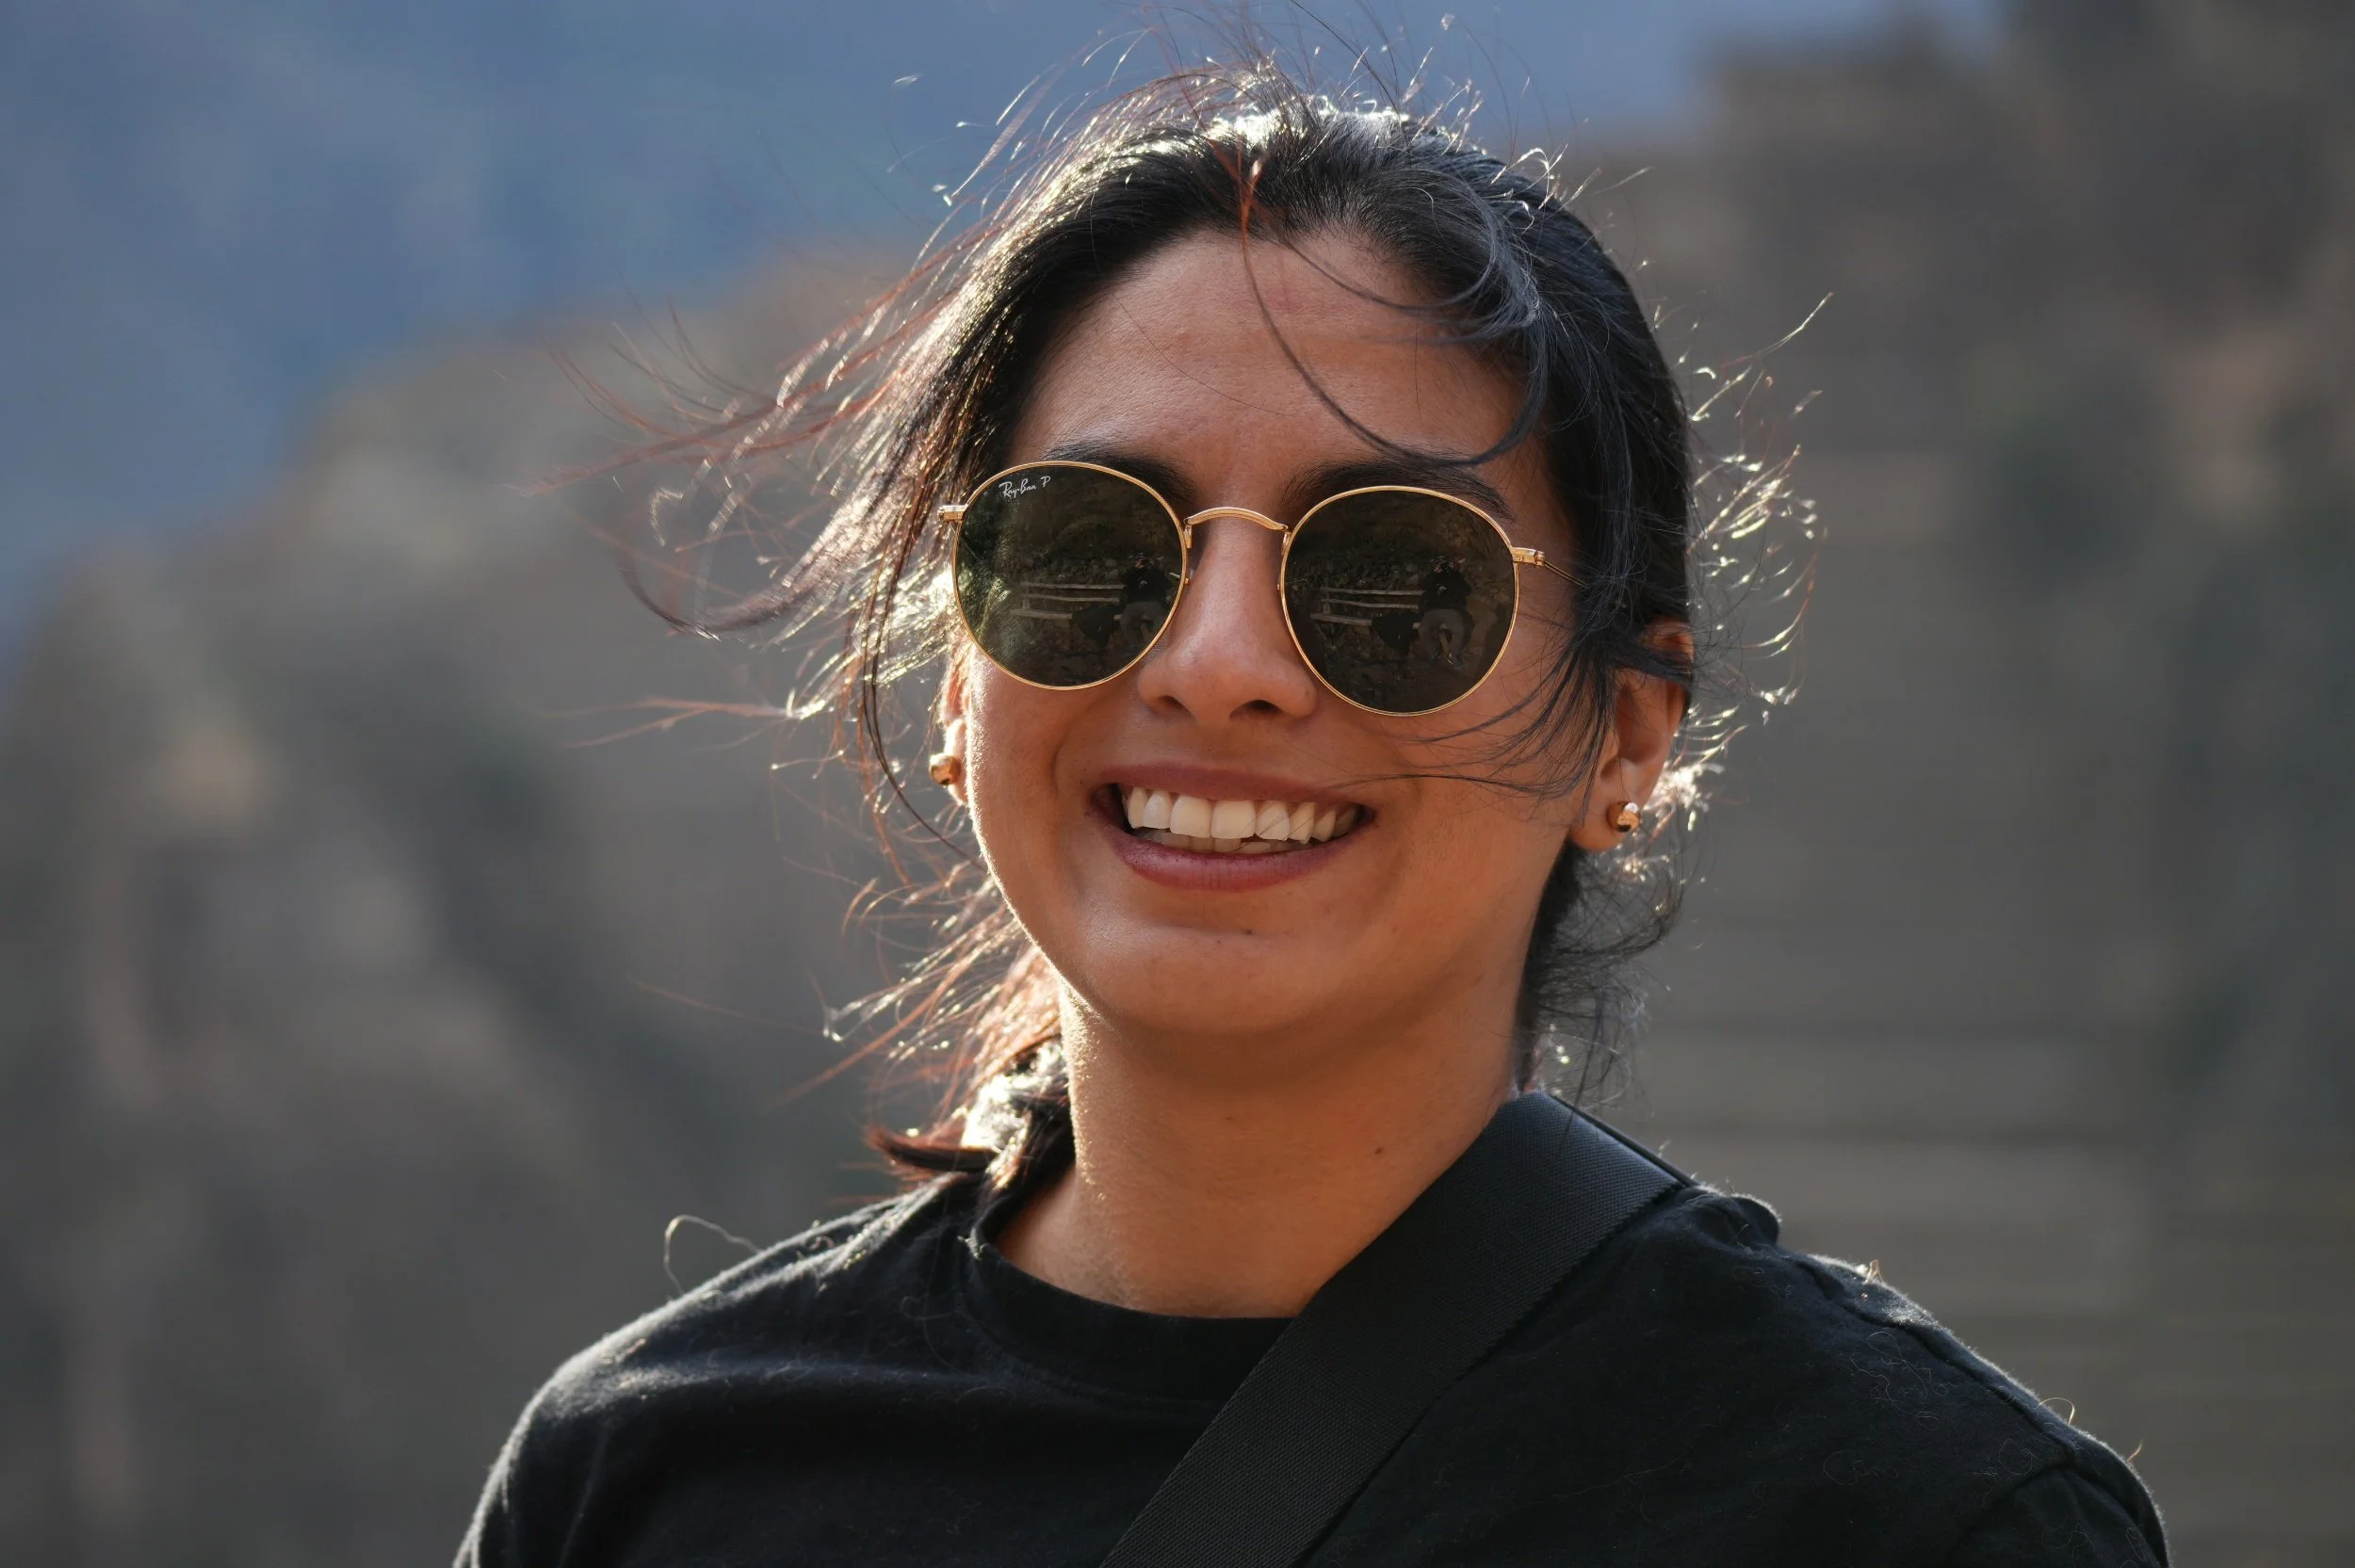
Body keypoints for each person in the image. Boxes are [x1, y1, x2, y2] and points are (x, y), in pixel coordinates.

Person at [457, 51, 2167, 1568]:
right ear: (963, 679)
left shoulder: (1902, 1515)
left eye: (1393, 580)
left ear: (1626, 737)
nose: (1217, 665)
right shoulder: (650, 1481)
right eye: (1091, 548)